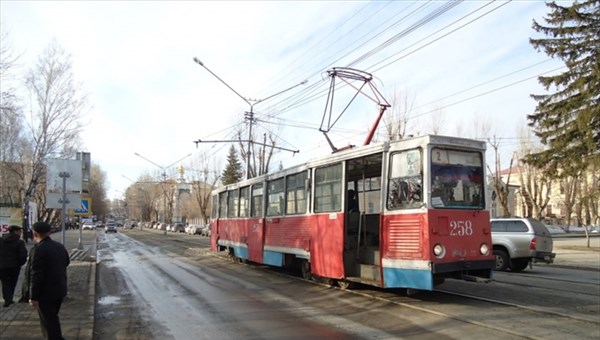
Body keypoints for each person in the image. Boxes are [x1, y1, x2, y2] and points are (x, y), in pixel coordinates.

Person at [25, 221, 70, 340]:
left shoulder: (38, 250)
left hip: (45, 292)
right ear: (49, 232)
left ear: (34, 234)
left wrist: (33, 296)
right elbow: (66, 262)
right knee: (52, 317)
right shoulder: (59, 246)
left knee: (48, 321)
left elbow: (36, 275)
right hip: (60, 289)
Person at [0, 225, 28, 307]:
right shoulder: (19, 242)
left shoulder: (1, 240)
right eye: (19, 231)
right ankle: (9, 299)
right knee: (12, 282)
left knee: (5, 282)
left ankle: (7, 299)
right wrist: (20, 263)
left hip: (2, 266)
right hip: (14, 266)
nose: (20, 233)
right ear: (15, 231)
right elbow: (23, 255)